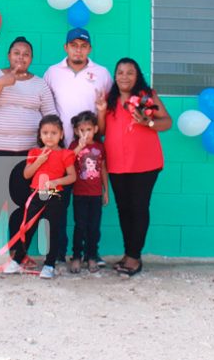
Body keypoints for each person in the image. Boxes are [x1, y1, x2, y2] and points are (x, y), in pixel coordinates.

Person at [0, 36, 58, 271]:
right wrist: (1, 84)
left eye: (26, 54)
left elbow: (50, 116)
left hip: (27, 154)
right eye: (16, 53)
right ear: (9, 56)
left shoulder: (39, 85)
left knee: (21, 204)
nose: (21, 57)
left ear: (31, 59)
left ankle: (18, 254)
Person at [96, 58, 172, 276]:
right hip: (117, 163)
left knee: (138, 208)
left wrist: (146, 122)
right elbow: (101, 131)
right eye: (120, 72)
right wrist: (101, 111)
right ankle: (128, 253)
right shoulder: (109, 100)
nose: (124, 77)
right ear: (115, 76)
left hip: (145, 162)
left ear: (137, 75)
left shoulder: (147, 97)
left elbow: (167, 122)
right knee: (124, 209)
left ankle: (134, 257)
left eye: (130, 72)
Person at [43, 27, 112, 264]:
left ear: (89, 49)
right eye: (74, 45)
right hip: (61, 149)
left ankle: (90, 252)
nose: (78, 50)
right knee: (58, 202)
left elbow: (107, 111)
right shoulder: (52, 72)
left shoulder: (102, 73)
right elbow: (45, 108)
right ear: (66, 47)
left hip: (91, 150)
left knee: (89, 207)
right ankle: (59, 252)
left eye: (83, 46)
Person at [3, 115, 76, 279]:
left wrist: (56, 182)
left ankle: (49, 264)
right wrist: (39, 161)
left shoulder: (66, 154)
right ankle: (17, 260)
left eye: (54, 133)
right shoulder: (34, 152)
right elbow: (26, 174)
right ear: (40, 135)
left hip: (54, 193)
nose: (49, 136)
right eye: (45, 132)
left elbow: (72, 177)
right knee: (28, 228)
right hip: (35, 194)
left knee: (52, 230)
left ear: (61, 134)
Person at [68, 110, 108, 274]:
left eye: (89, 130)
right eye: (82, 130)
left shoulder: (100, 147)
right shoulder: (74, 146)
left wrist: (106, 191)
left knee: (94, 227)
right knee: (80, 226)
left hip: (96, 194)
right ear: (77, 131)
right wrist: (80, 146)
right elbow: (68, 159)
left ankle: (91, 256)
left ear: (96, 129)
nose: (85, 134)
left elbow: (103, 168)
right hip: (79, 193)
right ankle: (77, 256)